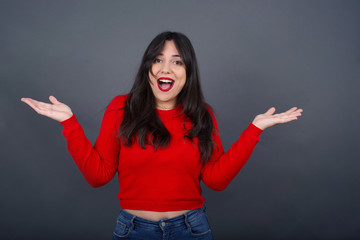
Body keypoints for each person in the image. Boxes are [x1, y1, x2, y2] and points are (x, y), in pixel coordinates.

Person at [21, 31, 303, 240]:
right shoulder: (121, 107)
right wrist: (70, 123)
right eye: (158, 60)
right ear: (148, 69)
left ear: (187, 73)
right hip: (133, 230)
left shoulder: (202, 115)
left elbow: (216, 181)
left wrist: (254, 130)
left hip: (192, 229)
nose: (166, 68)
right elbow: (99, 175)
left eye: (177, 62)